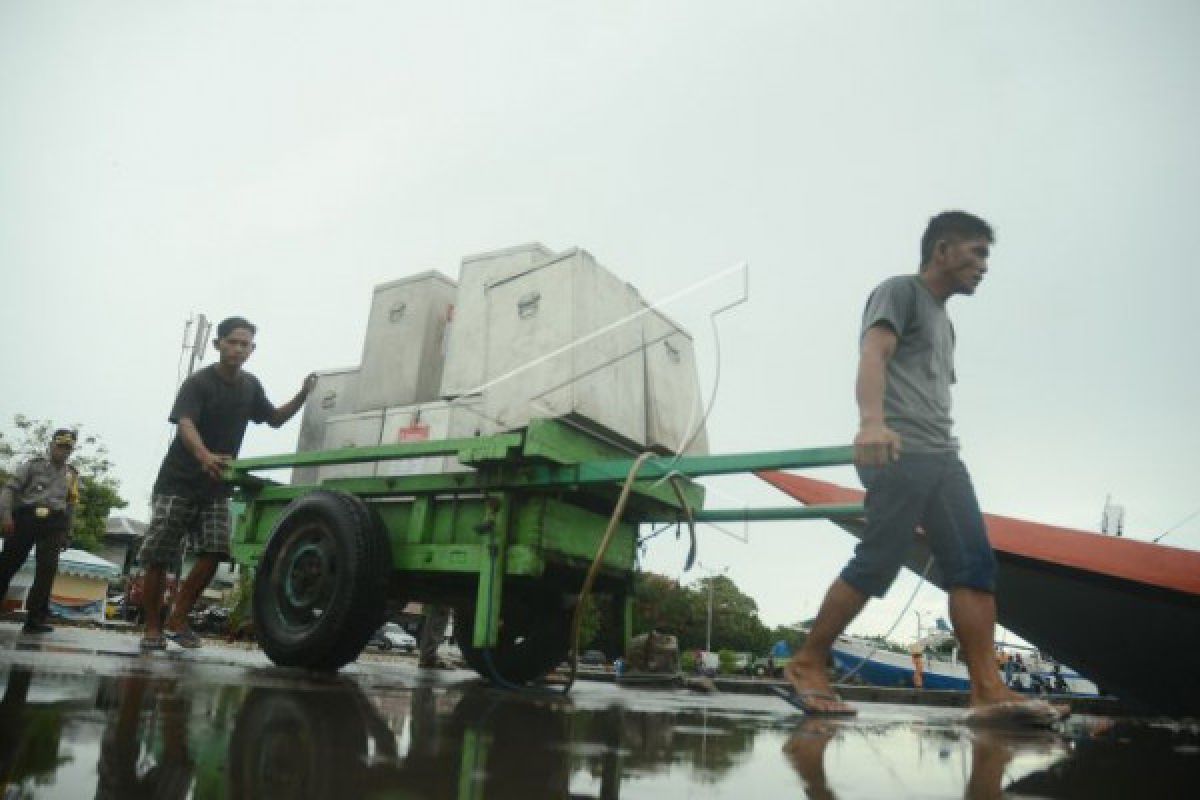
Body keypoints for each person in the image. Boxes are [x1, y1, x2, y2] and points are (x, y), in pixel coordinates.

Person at [784, 211, 1066, 723]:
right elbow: (875, 352)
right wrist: (871, 422)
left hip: (942, 456)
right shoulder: (900, 292)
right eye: (976, 253)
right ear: (942, 250)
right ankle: (806, 661)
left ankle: (987, 689)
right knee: (878, 561)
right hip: (898, 451)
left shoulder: (944, 321)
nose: (984, 266)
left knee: (976, 567)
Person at [138, 316, 316, 651]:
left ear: (252, 349)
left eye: (244, 344)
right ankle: (152, 627)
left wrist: (302, 394)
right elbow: (185, 424)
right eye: (232, 342)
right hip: (178, 481)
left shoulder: (251, 386)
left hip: (217, 485)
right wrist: (204, 455)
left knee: (216, 550)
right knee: (159, 555)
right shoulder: (199, 383)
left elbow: (274, 419)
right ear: (218, 344)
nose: (237, 349)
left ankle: (178, 618)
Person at [0, 429, 80, 634]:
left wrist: (67, 532)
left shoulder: (71, 474)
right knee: (7, 564)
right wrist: (6, 516)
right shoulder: (32, 465)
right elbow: (10, 489)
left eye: (68, 448)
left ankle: (35, 619)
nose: (64, 451)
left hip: (54, 523)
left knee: (47, 569)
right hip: (26, 518)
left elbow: (71, 506)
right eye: (60, 446)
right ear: (52, 445)